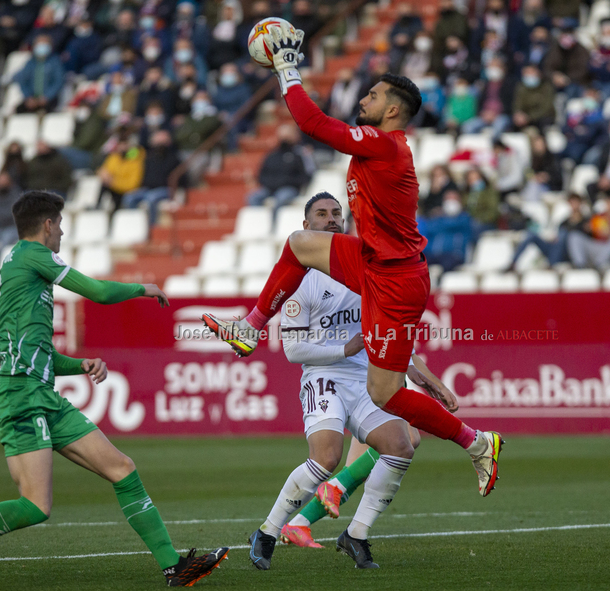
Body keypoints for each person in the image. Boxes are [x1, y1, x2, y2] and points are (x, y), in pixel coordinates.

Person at [202, 28, 502, 530]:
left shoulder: (386, 146)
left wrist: (287, 69)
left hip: (396, 279)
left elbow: (314, 123)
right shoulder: (381, 146)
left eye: (373, 94)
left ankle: (476, 442)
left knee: (385, 393)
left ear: (393, 109)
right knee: (300, 243)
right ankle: (251, 328)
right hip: (371, 259)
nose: (363, 99)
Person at [0, 191, 230, 591]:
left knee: (121, 468)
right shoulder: (33, 255)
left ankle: (173, 566)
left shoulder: (19, 266)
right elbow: (97, 291)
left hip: (42, 393)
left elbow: (40, 352)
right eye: (60, 225)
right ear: (49, 225)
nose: (63, 233)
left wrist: (79, 364)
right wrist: (143, 287)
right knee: (35, 506)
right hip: (21, 395)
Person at [250, 193, 452, 566]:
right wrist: (344, 349)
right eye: (321, 215)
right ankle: (266, 531)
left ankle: (355, 534)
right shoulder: (300, 280)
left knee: (402, 445)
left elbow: (390, 336)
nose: (331, 220)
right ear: (306, 226)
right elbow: (293, 350)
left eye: (336, 214)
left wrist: (425, 378)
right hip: (324, 376)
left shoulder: (369, 273)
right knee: (326, 457)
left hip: (367, 378)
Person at [246, 124, 312, 212]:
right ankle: (260, 224)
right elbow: (261, 175)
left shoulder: (301, 154)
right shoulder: (271, 155)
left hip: (290, 188)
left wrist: (287, 182)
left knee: (281, 198)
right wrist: (272, 184)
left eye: (288, 136)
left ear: (295, 136)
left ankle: (274, 225)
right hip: (270, 188)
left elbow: (307, 175)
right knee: (253, 198)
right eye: (283, 136)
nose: (285, 139)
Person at [123, 130, 179, 227]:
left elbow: (180, 178)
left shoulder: (174, 158)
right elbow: (128, 156)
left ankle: (152, 227)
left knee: (151, 198)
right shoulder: (147, 157)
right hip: (147, 189)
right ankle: (135, 225)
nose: (159, 145)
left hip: (165, 189)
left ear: (168, 142)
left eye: (162, 142)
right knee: (129, 198)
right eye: (157, 142)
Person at [567, 194, 610, 270]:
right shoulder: (598, 217)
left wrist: (609, 231)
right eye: (608, 203)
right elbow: (595, 231)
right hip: (600, 247)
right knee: (574, 236)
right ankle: (580, 266)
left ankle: (597, 265)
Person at [13, 36, 65, 113]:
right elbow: (23, 80)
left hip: (49, 99)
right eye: (39, 44)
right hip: (32, 98)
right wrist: (28, 97)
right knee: (19, 110)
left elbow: (58, 81)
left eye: (45, 44)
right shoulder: (30, 63)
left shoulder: (55, 62)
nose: (42, 47)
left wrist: (47, 96)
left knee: (47, 110)